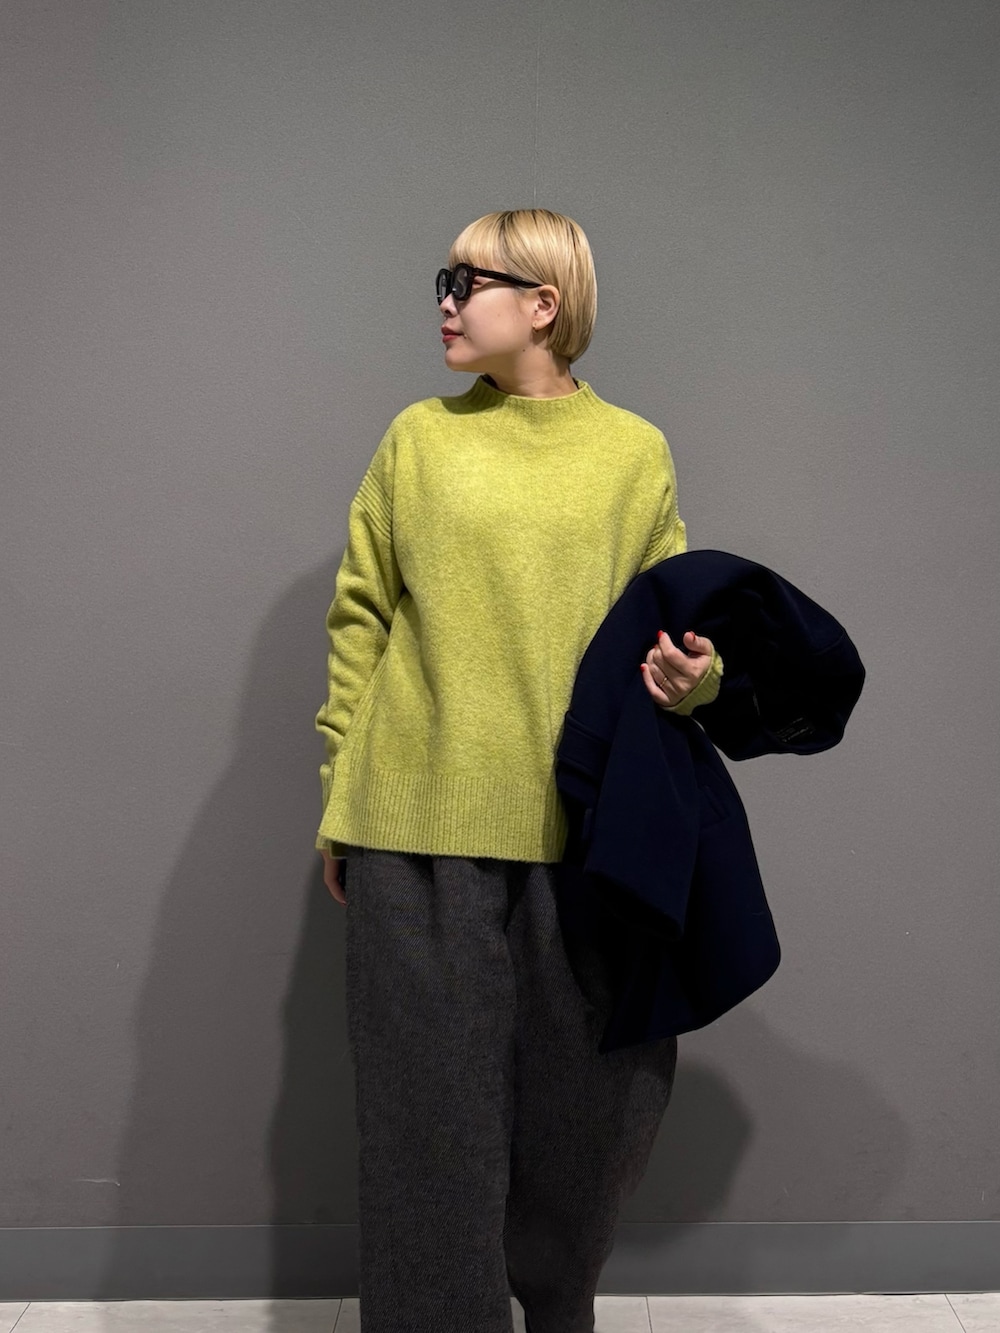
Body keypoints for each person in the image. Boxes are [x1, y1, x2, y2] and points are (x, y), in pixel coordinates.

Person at [314, 210, 723, 1333]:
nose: (444, 301)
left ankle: (555, 1307)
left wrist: (696, 677)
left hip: (585, 836)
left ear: (544, 303)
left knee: (596, 1113)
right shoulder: (417, 440)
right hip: (411, 829)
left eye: (468, 279)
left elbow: (677, 617)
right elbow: (359, 619)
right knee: (425, 1131)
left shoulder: (631, 451)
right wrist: (339, 798)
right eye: (440, 279)